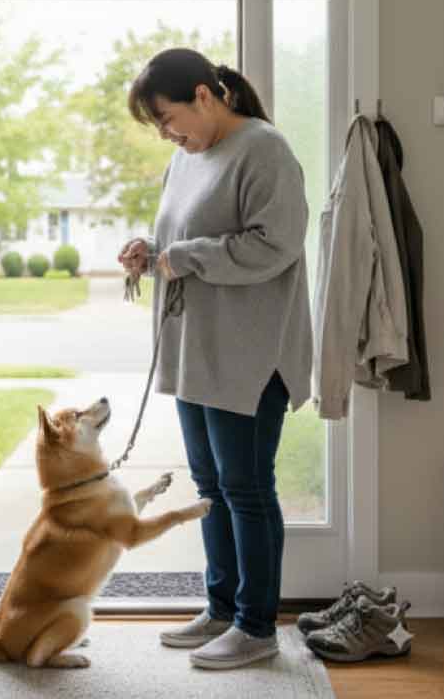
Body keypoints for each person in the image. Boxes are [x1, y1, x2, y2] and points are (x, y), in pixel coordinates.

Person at [117, 47, 313, 670]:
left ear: (205, 96)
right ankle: (223, 608)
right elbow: (185, 241)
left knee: (246, 489)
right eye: (157, 128)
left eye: (168, 118)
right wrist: (150, 250)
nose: (167, 133)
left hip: (250, 355)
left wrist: (186, 256)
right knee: (211, 488)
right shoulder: (186, 158)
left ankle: (257, 627)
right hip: (198, 351)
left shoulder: (264, 148)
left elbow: (275, 245)